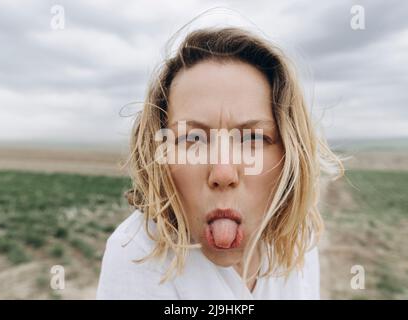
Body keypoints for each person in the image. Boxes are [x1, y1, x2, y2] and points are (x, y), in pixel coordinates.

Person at [96, 26, 343, 299]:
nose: (223, 172)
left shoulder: (299, 240)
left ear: (289, 154)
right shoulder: (136, 253)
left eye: (253, 138)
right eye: (193, 138)